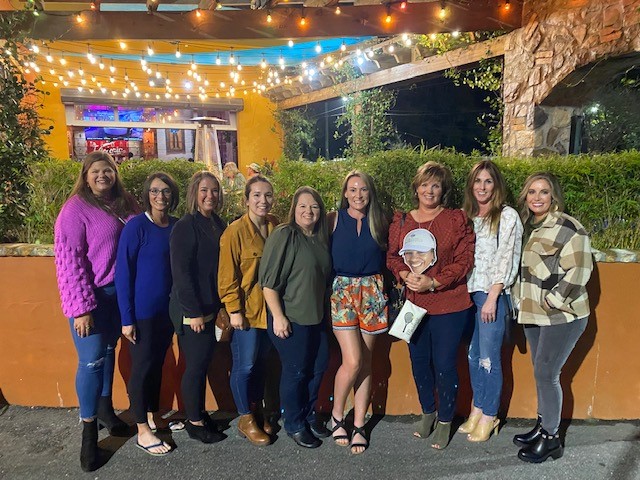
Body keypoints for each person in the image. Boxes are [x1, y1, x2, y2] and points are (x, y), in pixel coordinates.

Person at [54, 151, 139, 472]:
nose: (103, 176)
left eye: (108, 170)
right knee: (91, 361)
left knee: (107, 350)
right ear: (86, 176)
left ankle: (105, 410)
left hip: (120, 296)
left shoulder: (125, 203)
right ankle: (89, 437)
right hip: (92, 298)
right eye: (96, 172)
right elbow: (68, 261)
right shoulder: (75, 209)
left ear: (115, 174)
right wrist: (81, 309)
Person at [386, 161, 475, 450]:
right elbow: (393, 257)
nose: (429, 190)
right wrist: (404, 275)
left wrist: (433, 282)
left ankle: (446, 420)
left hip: (449, 304)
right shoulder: (402, 221)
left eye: (436, 185)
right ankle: (428, 412)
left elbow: (464, 260)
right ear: (416, 188)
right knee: (419, 361)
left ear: (443, 190)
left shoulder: (455, 219)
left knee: (445, 364)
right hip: (415, 306)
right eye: (425, 184)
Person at [512, 172, 593, 463]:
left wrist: (554, 299)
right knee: (541, 372)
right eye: (532, 191)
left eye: (544, 192)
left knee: (547, 374)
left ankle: (551, 439)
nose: (537, 197)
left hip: (562, 315)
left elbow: (580, 270)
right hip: (533, 314)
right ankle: (542, 425)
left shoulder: (568, 227)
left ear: (554, 196)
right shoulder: (527, 226)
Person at [259, 186, 332, 449]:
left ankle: (308, 414)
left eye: (314, 206)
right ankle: (294, 423)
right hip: (290, 317)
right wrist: (278, 316)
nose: (308, 211)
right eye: (302, 206)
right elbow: (268, 282)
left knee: (318, 366)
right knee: (296, 371)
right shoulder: (285, 234)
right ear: (294, 209)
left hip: (316, 318)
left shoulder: (319, 238)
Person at [115, 172, 180, 456]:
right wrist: (127, 318)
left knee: (156, 366)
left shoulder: (176, 226)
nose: (160, 196)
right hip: (141, 314)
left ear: (172, 195)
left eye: (165, 191)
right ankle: (142, 429)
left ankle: (153, 416)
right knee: (141, 370)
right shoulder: (136, 227)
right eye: (154, 191)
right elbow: (123, 274)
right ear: (147, 195)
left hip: (167, 313)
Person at [459, 160, 523, 442]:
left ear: (496, 185)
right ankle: (478, 407)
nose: (482, 187)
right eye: (477, 181)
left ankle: (490, 415)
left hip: (492, 294)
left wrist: (493, 296)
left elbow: (507, 257)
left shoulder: (507, 216)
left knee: (489, 358)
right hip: (470, 293)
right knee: (473, 356)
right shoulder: (468, 215)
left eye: (488, 181)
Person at [327, 170, 389, 454]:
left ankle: (360, 423)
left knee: (365, 361)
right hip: (343, 291)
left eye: (363, 189)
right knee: (352, 361)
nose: (358, 195)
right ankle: (337, 415)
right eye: (352, 189)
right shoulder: (333, 219)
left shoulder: (380, 220)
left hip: (372, 292)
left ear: (370, 192)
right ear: (345, 193)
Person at [218, 175, 279, 446]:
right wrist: (234, 310)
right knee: (245, 365)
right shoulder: (234, 232)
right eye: (256, 195)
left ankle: (256, 411)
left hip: (270, 311)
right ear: (246, 200)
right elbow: (227, 275)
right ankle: (245, 418)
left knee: (261, 364)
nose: (262, 200)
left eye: (267, 195)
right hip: (247, 311)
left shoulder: (275, 225)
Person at [169, 171, 227, 444]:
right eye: (204, 190)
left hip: (210, 306)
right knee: (194, 366)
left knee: (203, 364)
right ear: (194, 193)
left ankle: (200, 414)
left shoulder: (217, 223)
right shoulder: (186, 226)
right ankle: (194, 421)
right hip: (191, 310)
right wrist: (192, 313)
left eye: (214, 190)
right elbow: (181, 274)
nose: (210, 196)